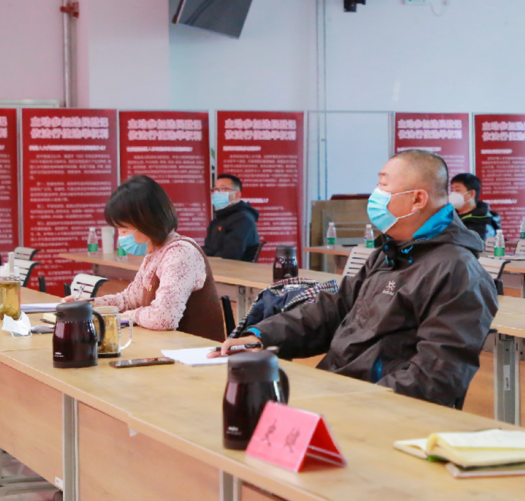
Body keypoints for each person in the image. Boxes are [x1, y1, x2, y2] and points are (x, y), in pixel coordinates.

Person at [213, 150, 498, 409]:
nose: (375, 195)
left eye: (383, 186)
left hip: (375, 409)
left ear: (418, 199)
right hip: (338, 389)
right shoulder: (390, 253)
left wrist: (353, 403)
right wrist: (262, 336)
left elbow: (435, 377)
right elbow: (334, 308)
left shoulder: (457, 272)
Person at [77, 175, 225, 338]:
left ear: (147, 223)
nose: (121, 237)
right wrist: (88, 305)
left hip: (195, 348)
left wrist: (131, 315)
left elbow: (164, 318)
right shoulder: (155, 251)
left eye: (124, 230)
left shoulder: (180, 253)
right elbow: (129, 299)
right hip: (170, 344)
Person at [203, 173, 260, 261]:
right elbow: (209, 249)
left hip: (233, 268)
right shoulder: (219, 219)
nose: (217, 193)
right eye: (215, 189)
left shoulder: (242, 220)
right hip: (215, 266)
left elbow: (230, 255)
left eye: (223, 189)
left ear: (237, 195)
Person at [449, 173, 501, 241]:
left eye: (457, 190)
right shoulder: (449, 216)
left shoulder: (483, 223)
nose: (453, 194)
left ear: (471, 194)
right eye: (452, 190)